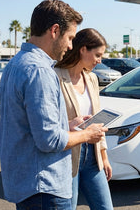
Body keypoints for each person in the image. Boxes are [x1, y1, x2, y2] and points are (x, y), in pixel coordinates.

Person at [0, 0, 107, 209]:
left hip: (26, 185)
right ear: (55, 30)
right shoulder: (40, 71)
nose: (70, 46)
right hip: (45, 189)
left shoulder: (15, 64)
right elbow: (49, 141)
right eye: (69, 38)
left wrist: (68, 124)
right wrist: (87, 134)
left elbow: (29, 127)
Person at [54, 28, 113, 209]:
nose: (99, 60)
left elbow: (97, 121)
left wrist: (104, 156)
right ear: (83, 49)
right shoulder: (56, 75)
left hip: (92, 158)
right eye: (97, 55)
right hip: (68, 157)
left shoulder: (92, 79)